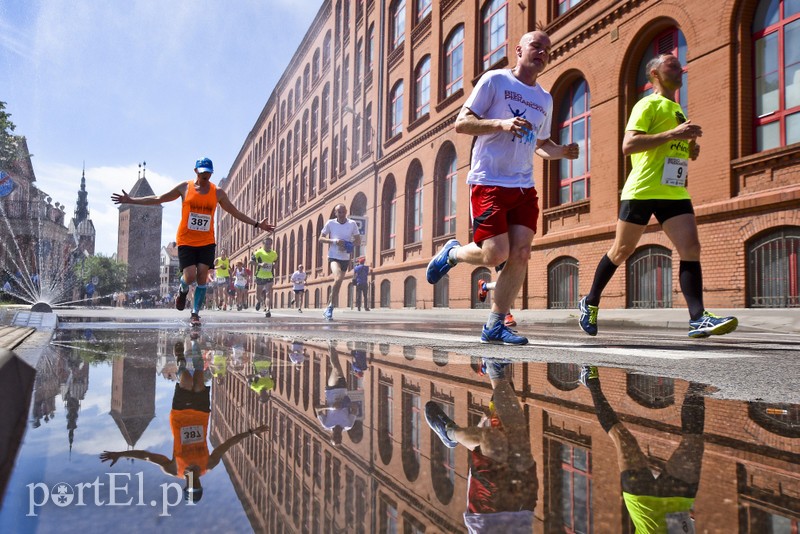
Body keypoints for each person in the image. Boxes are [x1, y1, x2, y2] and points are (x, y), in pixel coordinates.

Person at [426, 30, 579, 346]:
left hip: (523, 185)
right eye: (536, 46)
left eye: (547, 50)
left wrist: (561, 151)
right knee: (496, 254)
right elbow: (462, 123)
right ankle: (452, 253)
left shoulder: (544, 99)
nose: (542, 52)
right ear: (519, 48)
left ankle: (495, 325)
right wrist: (501, 124)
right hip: (489, 180)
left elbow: (539, 144)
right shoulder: (495, 81)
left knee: (521, 253)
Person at [578, 54, 737, 339]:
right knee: (621, 250)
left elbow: (670, 145)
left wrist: (688, 149)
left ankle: (697, 318)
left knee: (691, 248)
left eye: (679, 65)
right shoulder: (647, 104)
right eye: (671, 66)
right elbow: (629, 145)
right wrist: (674, 133)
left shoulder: (677, 108)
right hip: (643, 189)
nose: (680, 68)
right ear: (655, 74)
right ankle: (590, 301)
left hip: (673, 190)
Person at [100, 335, 269, 503]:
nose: (192, 482)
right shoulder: (209, 464)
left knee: (186, 379)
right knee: (198, 377)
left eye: (190, 486)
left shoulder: (173, 469)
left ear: (185, 486)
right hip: (201, 413)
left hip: (180, 415)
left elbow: (147, 456)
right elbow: (227, 445)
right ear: (200, 485)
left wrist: (121, 453)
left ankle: (180, 360)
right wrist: (250, 432)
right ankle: (193, 351)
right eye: (196, 485)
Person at [111, 158, 274, 327]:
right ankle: (182, 291)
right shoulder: (185, 188)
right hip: (187, 240)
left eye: (208, 173)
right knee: (189, 277)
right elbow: (160, 198)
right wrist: (131, 200)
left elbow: (235, 212)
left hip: (207, 241)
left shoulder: (217, 193)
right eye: (202, 172)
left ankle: (195, 313)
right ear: (196, 171)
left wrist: (257, 224)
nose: (205, 176)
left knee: (202, 276)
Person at [579, 366, 705, 534]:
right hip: (677, 505)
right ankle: (698, 379)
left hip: (643, 505)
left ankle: (591, 380)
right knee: (693, 443)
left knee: (623, 438)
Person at [426, 358, 537, 532]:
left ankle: (450, 433)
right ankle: (497, 367)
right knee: (512, 430)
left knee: (493, 440)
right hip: (521, 514)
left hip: (488, 521)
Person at [319, 204, 361, 321]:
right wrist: (334, 241)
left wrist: (349, 244)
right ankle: (331, 308)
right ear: (335, 213)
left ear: (346, 212)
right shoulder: (331, 223)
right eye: (339, 212)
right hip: (333, 257)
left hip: (345, 258)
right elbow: (320, 238)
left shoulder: (352, 224)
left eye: (343, 212)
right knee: (337, 278)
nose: (341, 214)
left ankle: (328, 306)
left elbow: (358, 241)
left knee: (338, 285)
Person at [315, 342, 358, 445]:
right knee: (336, 364)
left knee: (336, 368)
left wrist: (331, 407)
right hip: (343, 389)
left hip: (331, 391)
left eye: (335, 437)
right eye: (339, 437)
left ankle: (331, 344)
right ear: (342, 437)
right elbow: (355, 408)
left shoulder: (327, 424)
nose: (338, 435)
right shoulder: (348, 425)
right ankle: (330, 345)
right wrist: (344, 405)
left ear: (331, 435)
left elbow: (317, 409)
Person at [253, 236, 278, 317]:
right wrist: (260, 264)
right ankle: (259, 301)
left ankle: (268, 310)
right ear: (263, 244)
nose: (268, 245)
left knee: (268, 293)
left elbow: (276, 262)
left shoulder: (274, 253)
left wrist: (275, 265)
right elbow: (251, 262)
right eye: (266, 243)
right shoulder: (258, 252)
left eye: (269, 244)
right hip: (260, 276)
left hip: (269, 276)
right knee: (258, 294)